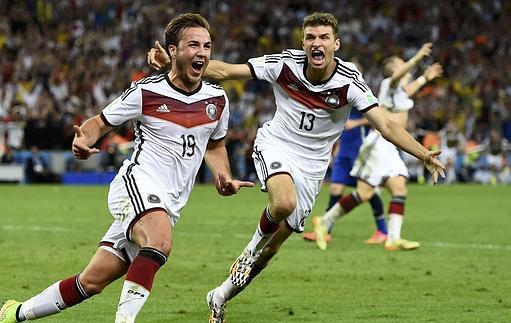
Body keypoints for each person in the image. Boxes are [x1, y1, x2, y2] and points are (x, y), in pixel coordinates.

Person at [149, 12, 445, 322]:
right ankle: (247, 252)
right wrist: (175, 65)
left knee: (273, 248)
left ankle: (220, 295)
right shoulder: (284, 64)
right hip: (276, 144)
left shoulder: (349, 82)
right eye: (311, 38)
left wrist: (422, 154)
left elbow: (385, 123)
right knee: (283, 202)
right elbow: (224, 71)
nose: (317, 43)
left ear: (336, 44)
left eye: (324, 38)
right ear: (303, 43)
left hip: (313, 168)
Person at [0, 13, 253, 323]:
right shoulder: (146, 92)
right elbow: (98, 123)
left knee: (90, 282)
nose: (202, 53)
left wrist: (223, 174)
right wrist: (82, 140)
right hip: (136, 186)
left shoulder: (217, 100)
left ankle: (14, 313)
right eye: (192, 44)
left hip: (168, 203)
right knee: (159, 242)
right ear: (172, 51)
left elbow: (215, 145)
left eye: (207, 46)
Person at [310, 42, 444, 251]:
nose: (405, 68)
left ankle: (393, 238)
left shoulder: (398, 92)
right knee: (364, 193)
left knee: (399, 188)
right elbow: (399, 78)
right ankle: (324, 222)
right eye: (401, 64)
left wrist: (425, 78)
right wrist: (417, 58)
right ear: (394, 70)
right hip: (379, 144)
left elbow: (408, 89)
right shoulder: (388, 84)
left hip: (391, 148)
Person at [301, 106, 388, 245]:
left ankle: (383, 231)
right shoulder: (339, 96)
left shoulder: (359, 94)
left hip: (360, 150)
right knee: (335, 189)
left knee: (367, 191)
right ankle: (325, 230)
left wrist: (356, 123)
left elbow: (379, 117)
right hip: (344, 152)